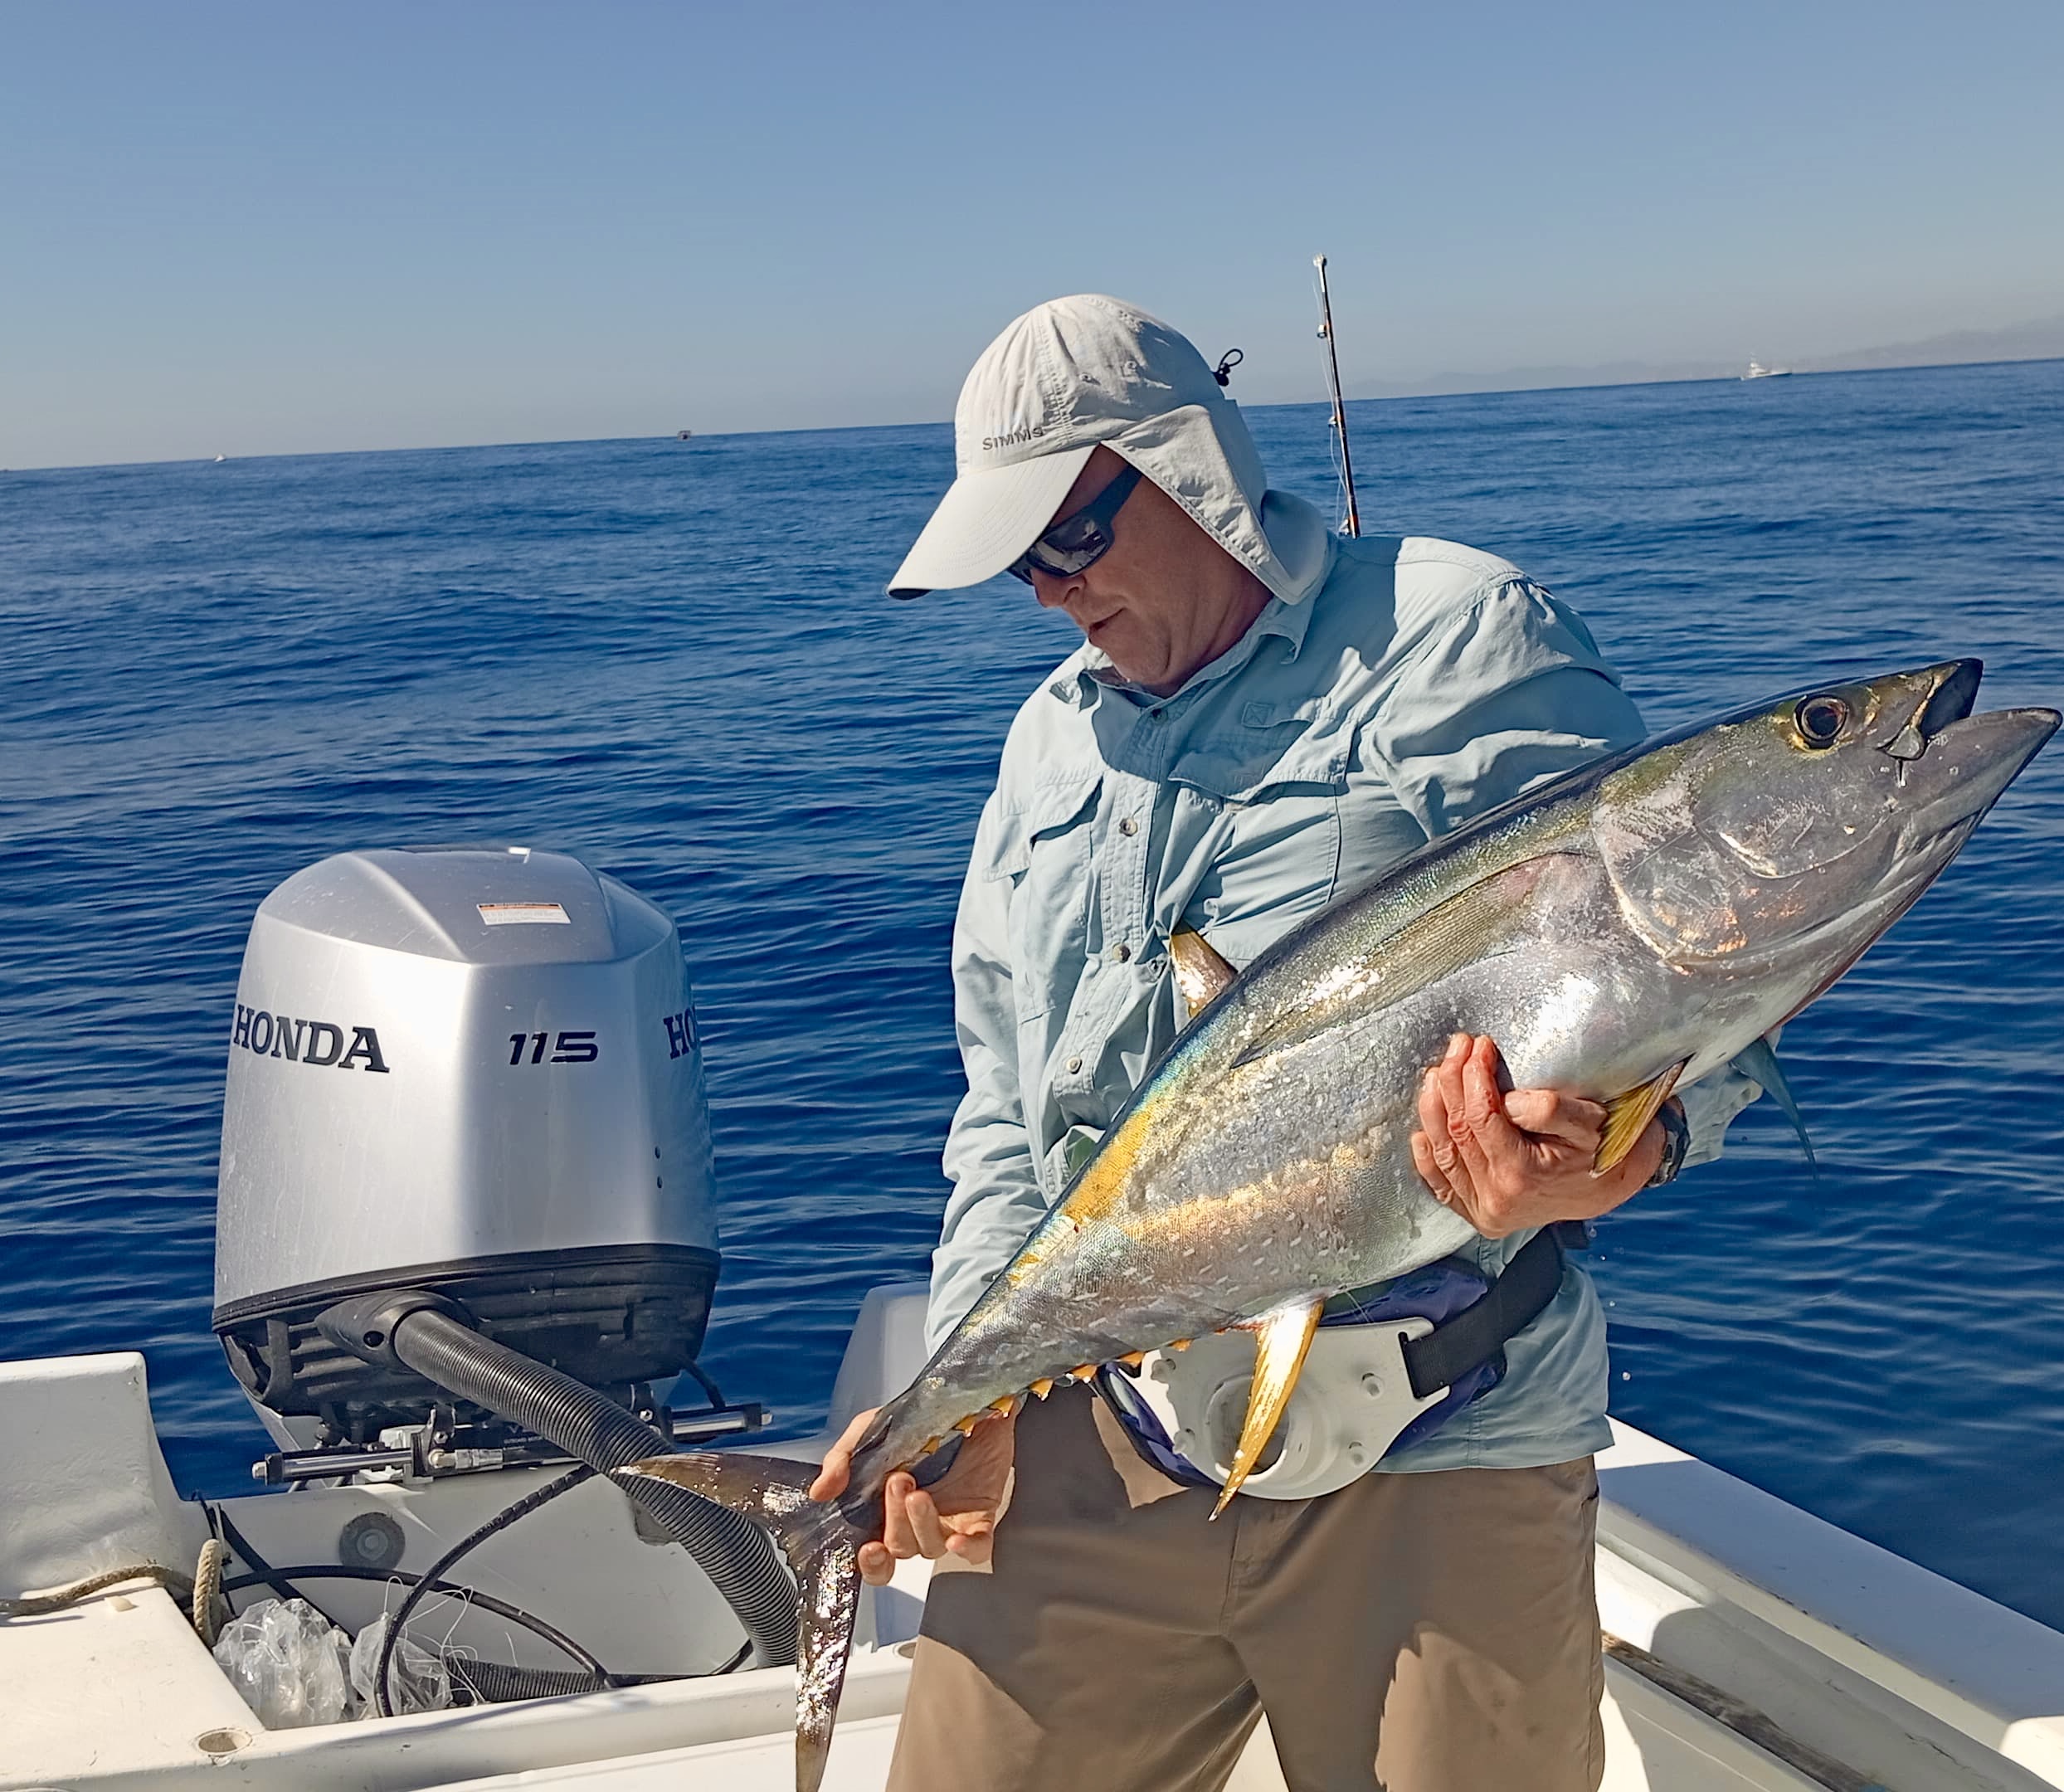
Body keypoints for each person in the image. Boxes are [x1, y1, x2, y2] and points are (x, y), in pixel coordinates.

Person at [811, 295, 1761, 1791]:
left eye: (1069, 541)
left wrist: (1603, 1168)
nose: (1052, 598)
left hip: (1438, 1441)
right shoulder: (1046, 744)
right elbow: (1008, 1110)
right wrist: (963, 1390)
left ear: (1185, 471)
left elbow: (1695, 982)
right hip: (1098, 1430)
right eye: (1017, 566)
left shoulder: (1453, 635)